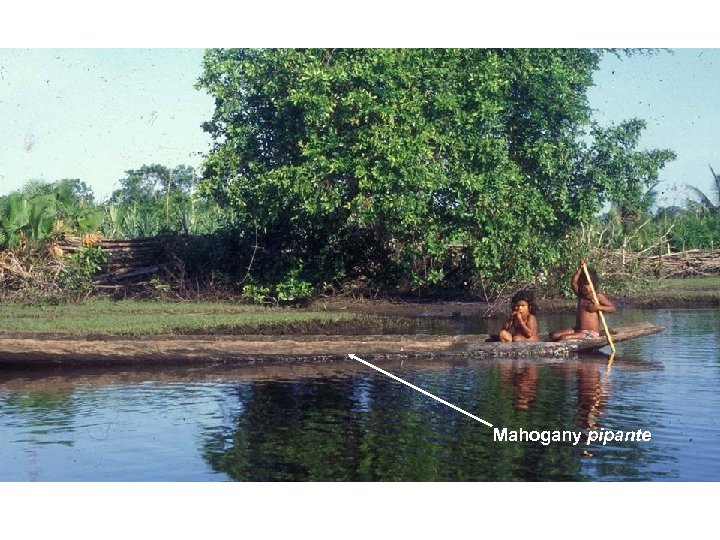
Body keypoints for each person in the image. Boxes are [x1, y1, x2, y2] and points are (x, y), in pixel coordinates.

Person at [549, 260, 616, 341]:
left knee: (563, 338)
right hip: (578, 329)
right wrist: (580, 269)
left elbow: (612, 308)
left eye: (587, 284)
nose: (584, 287)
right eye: (582, 284)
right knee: (553, 335)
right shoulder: (581, 295)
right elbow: (573, 283)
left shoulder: (597, 296)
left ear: (593, 284)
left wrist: (598, 307)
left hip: (590, 333)